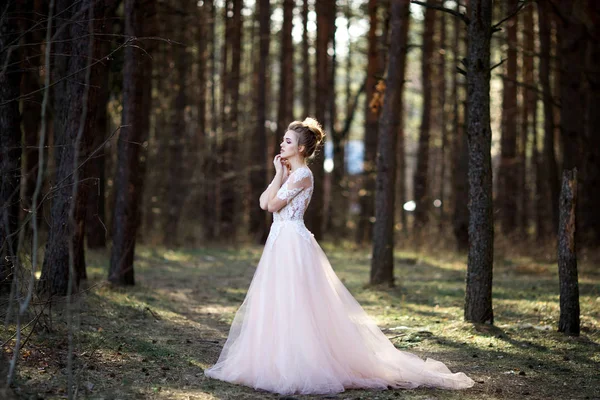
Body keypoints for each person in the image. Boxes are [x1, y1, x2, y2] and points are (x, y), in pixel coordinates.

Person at [204, 117, 475, 395]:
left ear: (300, 149)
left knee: (296, 302)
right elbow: (264, 203)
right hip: (280, 241)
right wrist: (277, 174)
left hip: (292, 243)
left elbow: (271, 204)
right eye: (283, 140)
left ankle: (302, 363)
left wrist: (280, 176)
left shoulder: (302, 175)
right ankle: (274, 359)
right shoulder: (289, 175)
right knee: (278, 300)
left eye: (287, 141)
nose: (281, 145)